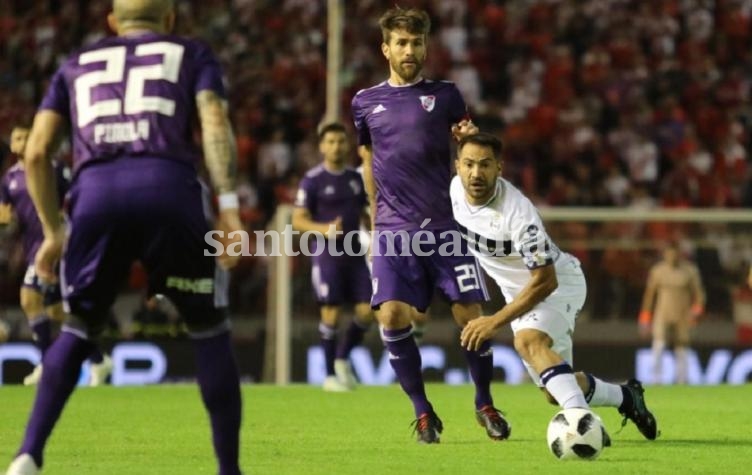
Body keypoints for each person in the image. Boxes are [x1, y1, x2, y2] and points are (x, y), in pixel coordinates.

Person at [5, 1, 243, 473]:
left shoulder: (74, 64)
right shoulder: (191, 53)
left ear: (112, 23)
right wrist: (230, 205)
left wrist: (54, 232)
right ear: (170, 19)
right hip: (168, 188)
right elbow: (214, 120)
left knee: (77, 327)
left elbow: (35, 153)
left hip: (95, 195)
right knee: (209, 327)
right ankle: (228, 469)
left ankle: (28, 454)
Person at [351, 6, 508, 444]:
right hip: (393, 230)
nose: (409, 50)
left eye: (416, 42)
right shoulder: (364, 102)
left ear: (426, 46)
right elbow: (368, 160)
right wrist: (373, 218)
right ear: (386, 48)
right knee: (392, 315)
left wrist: (469, 140)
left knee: (470, 317)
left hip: (445, 226)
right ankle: (423, 413)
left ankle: (484, 402)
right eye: (401, 42)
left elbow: (468, 145)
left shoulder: (447, 95)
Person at [455, 133, 658, 442]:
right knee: (554, 390)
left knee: (527, 342)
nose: (475, 173)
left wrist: (494, 321)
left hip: (559, 285)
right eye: (468, 164)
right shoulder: (455, 189)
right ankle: (627, 398)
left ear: (500, 168)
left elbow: (545, 281)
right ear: (457, 166)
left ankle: (581, 424)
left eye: (485, 165)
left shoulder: (519, 215)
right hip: (522, 297)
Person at [0, 126, 113, 387]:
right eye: (15, 138)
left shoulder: (53, 169)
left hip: (57, 246)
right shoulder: (9, 179)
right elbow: (5, 214)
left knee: (29, 298)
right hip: (31, 248)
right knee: (58, 312)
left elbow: (77, 197)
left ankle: (45, 362)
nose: (19, 142)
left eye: (24, 137)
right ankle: (98, 359)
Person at [292, 122, 374, 392]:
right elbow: (298, 220)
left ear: (347, 144)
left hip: (355, 253)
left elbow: (367, 212)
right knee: (331, 312)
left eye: (340, 141)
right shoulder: (313, 180)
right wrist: (323, 230)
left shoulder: (355, 178)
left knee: (368, 310)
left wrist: (374, 237)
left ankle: (341, 358)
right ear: (321, 146)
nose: (336, 146)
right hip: (328, 254)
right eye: (331, 142)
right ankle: (328, 376)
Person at [638, 241, 706, 384]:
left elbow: (699, 295)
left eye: (675, 254)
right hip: (662, 313)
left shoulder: (690, 271)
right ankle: (656, 380)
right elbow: (649, 295)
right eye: (669, 254)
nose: (672, 257)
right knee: (659, 346)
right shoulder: (658, 271)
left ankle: (682, 381)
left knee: (682, 348)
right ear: (664, 255)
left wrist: (696, 312)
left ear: (679, 254)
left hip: (683, 314)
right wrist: (645, 317)